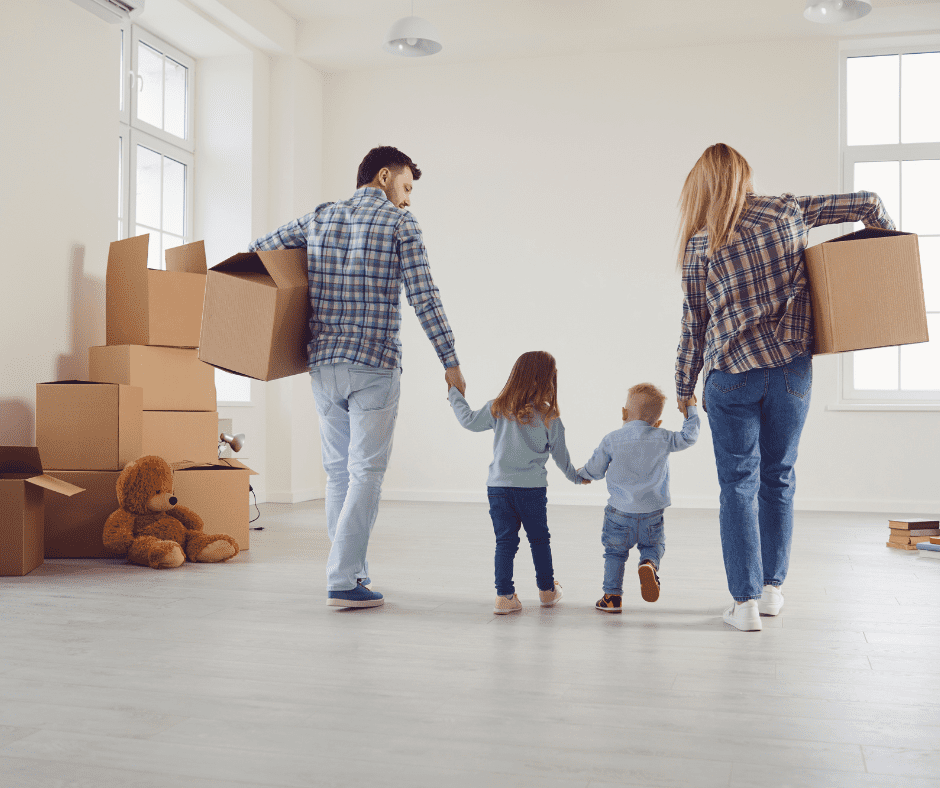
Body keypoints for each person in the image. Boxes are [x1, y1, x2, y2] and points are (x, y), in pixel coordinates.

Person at [674, 143, 895, 631]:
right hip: (791, 371)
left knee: (738, 486)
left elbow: (695, 324)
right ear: (745, 176)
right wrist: (882, 264)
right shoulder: (789, 209)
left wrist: (683, 386)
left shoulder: (698, 243)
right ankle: (773, 591)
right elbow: (868, 202)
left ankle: (745, 604)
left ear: (703, 186)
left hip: (731, 376)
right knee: (779, 478)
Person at [249, 146, 466, 609]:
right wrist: (450, 360)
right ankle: (344, 579)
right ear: (384, 176)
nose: (408, 200)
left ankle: (351, 570)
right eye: (406, 187)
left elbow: (258, 251)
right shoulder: (400, 224)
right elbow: (424, 296)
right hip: (373, 364)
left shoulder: (320, 218)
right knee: (366, 471)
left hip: (324, 364)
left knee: (337, 474)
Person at [447, 350, 589, 614]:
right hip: (532, 490)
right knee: (539, 539)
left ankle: (504, 597)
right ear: (549, 380)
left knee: (505, 542)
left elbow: (467, 420)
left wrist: (454, 392)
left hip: (498, 489)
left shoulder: (498, 407)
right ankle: (547, 591)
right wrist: (577, 478)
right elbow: (562, 459)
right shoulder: (550, 418)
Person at [577, 383, 700, 613]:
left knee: (614, 553)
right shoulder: (662, 436)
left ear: (624, 413)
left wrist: (581, 475)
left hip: (619, 513)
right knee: (653, 546)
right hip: (653, 513)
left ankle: (612, 597)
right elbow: (688, 437)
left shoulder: (612, 439)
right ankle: (649, 564)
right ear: (658, 422)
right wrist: (690, 409)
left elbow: (595, 469)